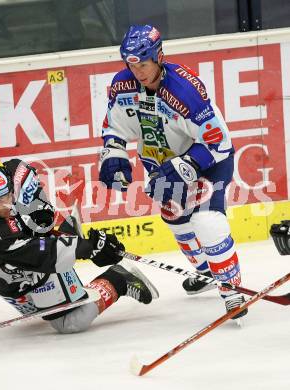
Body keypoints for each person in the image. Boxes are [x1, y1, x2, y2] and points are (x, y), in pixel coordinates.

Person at [98, 24, 247, 319]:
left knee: (206, 221)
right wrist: (113, 153)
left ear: (159, 57)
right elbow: (113, 125)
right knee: (176, 220)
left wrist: (185, 164)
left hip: (207, 162)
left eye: (143, 63)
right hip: (162, 166)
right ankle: (205, 273)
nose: (137, 71)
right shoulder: (121, 84)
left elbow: (219, 141)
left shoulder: (186, 91)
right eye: (131, 64)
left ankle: (232, 291)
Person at [0, 158, 158, 334]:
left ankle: (119, 279)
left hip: (32, 267)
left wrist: (71, 240)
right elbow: (37, 253)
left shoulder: (16, 173)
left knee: (70, 322)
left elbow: (43, 219)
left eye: (7, 196)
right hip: (17, 275)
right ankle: (72, 236)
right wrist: (85, 247)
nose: (4, 205)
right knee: (40, 307)